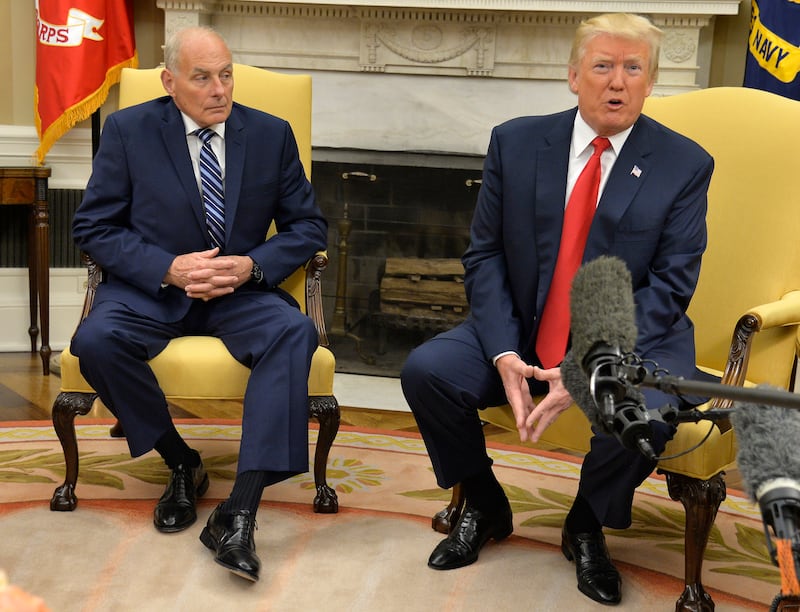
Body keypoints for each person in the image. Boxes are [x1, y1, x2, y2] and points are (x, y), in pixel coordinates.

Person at [400, 13, 714, 606]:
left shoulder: (684, 164)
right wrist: (502, 350)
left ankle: (587, 522)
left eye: (632, 68)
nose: (616, 82)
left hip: (630, 340)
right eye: (602, 66)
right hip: (522, 323)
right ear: (573, 75)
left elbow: (670, 287)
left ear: (650, 83)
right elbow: (486, 255)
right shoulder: (516, 142)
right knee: (428, 372)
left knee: (642, 416)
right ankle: (486, 503)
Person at [70, 26, 327, 582]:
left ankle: (239, 511)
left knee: (295, 331)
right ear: (169, 82)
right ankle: (180, 460)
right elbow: (91, 225)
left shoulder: (270, 134)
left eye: (226, 74)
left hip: (238, 292)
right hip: (153, 290)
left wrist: (251, 266)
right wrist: (167, 267)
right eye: (203, 77)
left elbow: (308, 226)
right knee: (94, 341)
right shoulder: (128, 130)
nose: (220, 90)